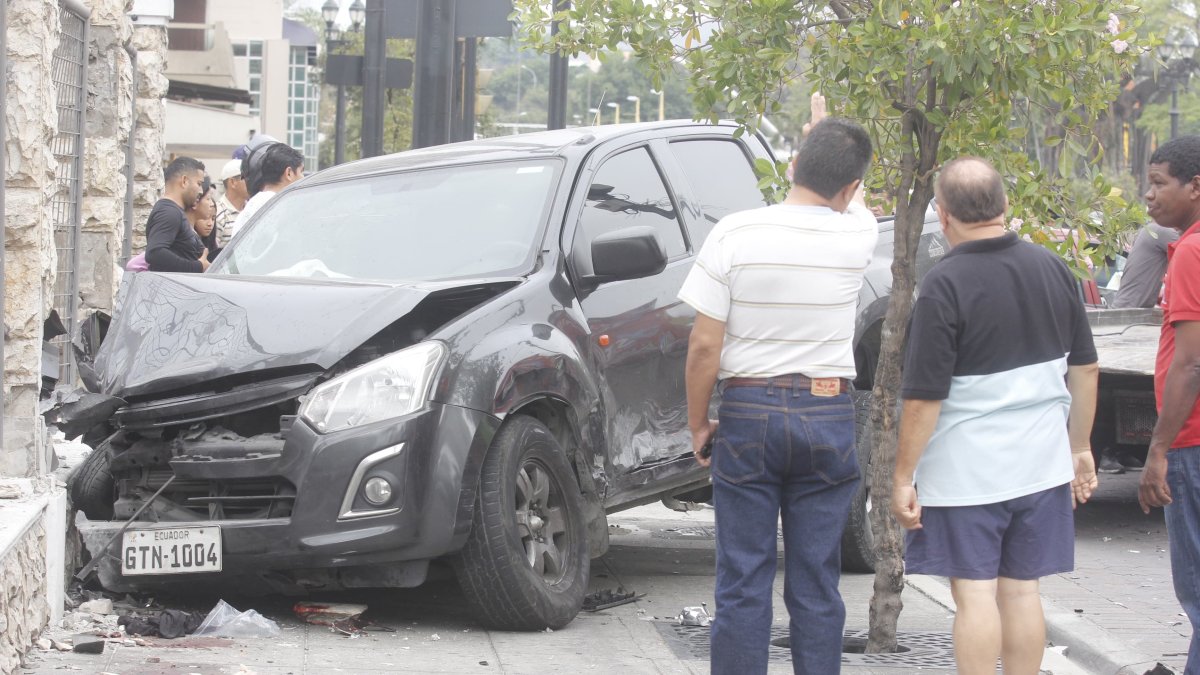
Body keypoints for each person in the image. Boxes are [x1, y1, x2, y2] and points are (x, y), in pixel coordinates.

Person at [678, 93, 877, 675]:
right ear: (850, 188)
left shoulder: (734, 234)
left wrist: (699, 423)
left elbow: (704, 347)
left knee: (742, 577)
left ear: (791, 166)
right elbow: (850, 192)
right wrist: (829, 135)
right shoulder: (855, 235)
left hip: (749, 414)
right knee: (817, 579)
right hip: (827, 414)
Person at [892, 157, 1100, 675]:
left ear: (943, 215)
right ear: (1006, 205)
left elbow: (923, 398)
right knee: (1023, 592)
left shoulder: (943, 285)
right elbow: (1087, 368)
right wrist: (1079, 447)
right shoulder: (1053, 268)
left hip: (967, 472)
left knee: (976, 595)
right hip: (1041, 464)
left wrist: (902, 476)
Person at [1138, 134, 1200, 675]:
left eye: (1159, 183)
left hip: (1192, 442)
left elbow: (1190, 363)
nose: (1149, 196)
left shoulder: (1191, 253)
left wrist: (1158, 449)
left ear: (1195, 186)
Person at [146, 156, 209, 273]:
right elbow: (154, 253)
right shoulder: (169, 212)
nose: (201, 191)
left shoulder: (174, 211)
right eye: (199, 183)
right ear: (184, 181)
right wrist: (197, 266)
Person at [229, 142, 305, 238]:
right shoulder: (280, 208)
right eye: (301, 171)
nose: (303, 178)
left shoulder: (249, 208)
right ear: (289, 173)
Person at [1113, 222, 1180, 309]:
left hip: (1127, 308)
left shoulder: (1151, 229)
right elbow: (1191, 252)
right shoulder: (1162, 231)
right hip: (1132, 312)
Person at [215, 158, 247, 248]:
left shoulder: (252, 207)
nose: (251, 181)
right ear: (232, 182)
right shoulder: (218, 214)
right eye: (246, 177)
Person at [187, 178, 220, 263]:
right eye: (206, 218)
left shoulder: (214, 243)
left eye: (213, 218)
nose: (210, 224)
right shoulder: (188, 238)